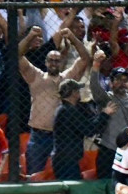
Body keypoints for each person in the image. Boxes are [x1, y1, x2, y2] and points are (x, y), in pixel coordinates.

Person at [19, 26, 90, 176]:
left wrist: (72, 37)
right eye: (51, 60)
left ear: (62, 62)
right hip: (38, 136)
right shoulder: (35, 76)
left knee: (61, 175)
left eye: (57, 61)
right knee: (34, 175)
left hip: (61, 138)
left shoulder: (67, 79)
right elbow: (16, 55)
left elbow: (85, 58)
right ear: (45, 62)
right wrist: (30, 36)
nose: (53, 64)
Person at [90, 55, 128, 179]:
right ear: (111, 83)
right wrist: (96, 65)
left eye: (125, 80)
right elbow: (95, 87)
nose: (122, 83)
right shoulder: (107, 98)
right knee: (105, 184)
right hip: (108, 150)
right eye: (118, 79)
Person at [52, 79, 116, 180]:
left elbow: (85, 123)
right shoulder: (69, 111)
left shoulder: (65, 109)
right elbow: (89, 129)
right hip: (67, 161)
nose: (79, 92)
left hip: (65, 158)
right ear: (73, 92)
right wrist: (105, 114)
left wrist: (101, 114)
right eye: (77, 90)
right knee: (72, 189)